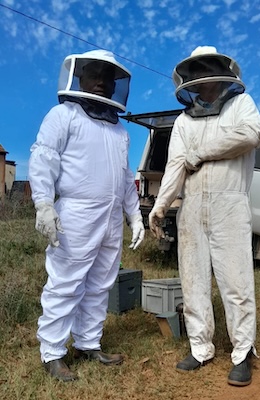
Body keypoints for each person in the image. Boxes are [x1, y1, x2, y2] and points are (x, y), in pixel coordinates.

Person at [149, 46, 260, 386]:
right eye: (194, 74)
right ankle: (200, 348)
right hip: (192, 208)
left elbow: (252, 134)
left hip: (230, 205)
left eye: (205, 72)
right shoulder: (185, 120)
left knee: (236, 282)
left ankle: (242, 352)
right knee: (193, 282)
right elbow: (175, 165)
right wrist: (159, 206)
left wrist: (200, 152)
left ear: (219, 72)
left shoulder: (241, 106)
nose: (200, 81)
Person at [28, 49, 145, 382]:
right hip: (76, 215)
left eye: (106, 78)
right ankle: (52, 353)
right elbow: (43, 158)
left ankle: (88, 343)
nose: (100, 82)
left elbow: (125, 178)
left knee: (100, 285)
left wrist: (134, 216)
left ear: (113, 85)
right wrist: (44, 204)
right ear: (79, 78)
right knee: (65, 284)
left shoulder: (119, 131)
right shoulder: (63, 116)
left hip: (109, 219)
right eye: (94, 75)